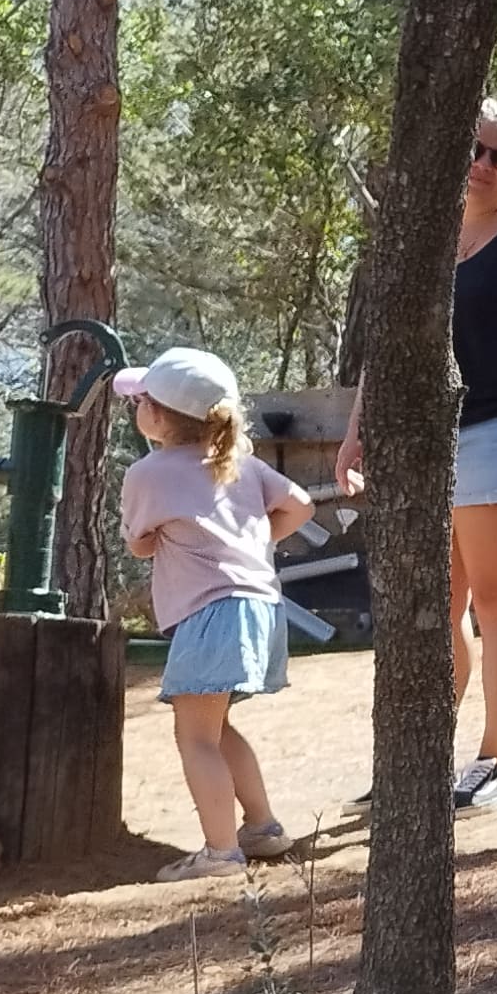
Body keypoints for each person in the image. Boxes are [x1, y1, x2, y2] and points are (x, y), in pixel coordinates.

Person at [335, 95, 497, 811]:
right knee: (434, 605)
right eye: (472, 149)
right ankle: (419, 765)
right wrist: (359, 433)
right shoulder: (419, 243)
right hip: (426, 443)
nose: (482, 165)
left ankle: (495, 762)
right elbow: (388, 356)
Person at [117, 346, 317, 882]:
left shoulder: (147, 473)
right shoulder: (241, 464)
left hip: (210, 614)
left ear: (157, 417)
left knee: (195, 737)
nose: (136, 407)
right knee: (217, 726)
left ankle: (221, 852)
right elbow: (300, 505)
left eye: (140, 400)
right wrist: (253, 543)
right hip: (259, 605)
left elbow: (138, 545)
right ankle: (263, 828)